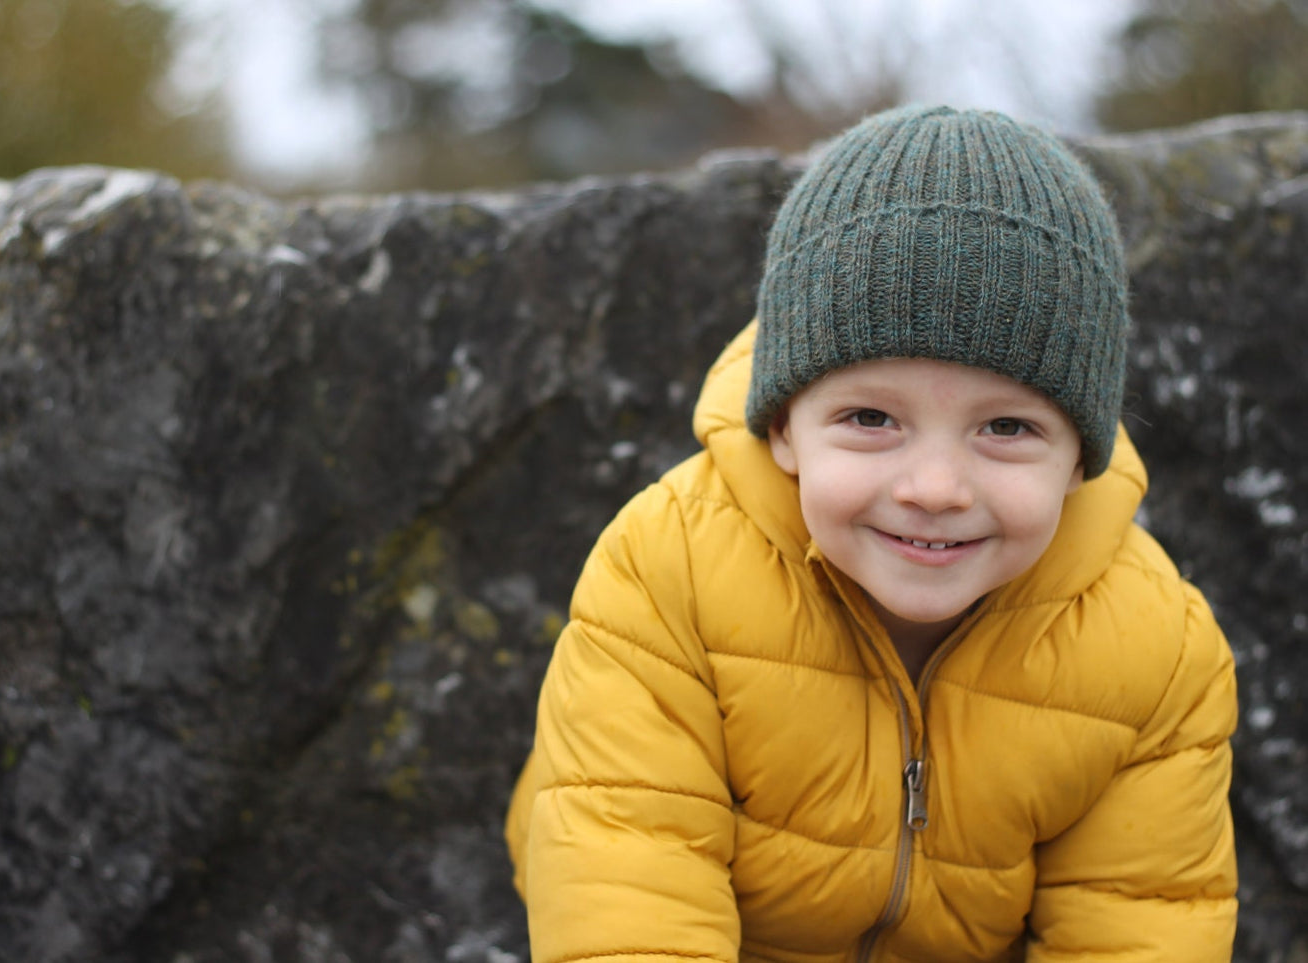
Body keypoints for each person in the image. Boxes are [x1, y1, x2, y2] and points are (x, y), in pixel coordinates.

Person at [503, 104, 1238, 962]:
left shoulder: (1152, 647)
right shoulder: (669, 568)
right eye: (869, 417)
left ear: (1080, 458)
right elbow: (625, 876)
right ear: (782, 426)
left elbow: (1142, 918)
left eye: (1005, 428)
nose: (933, 488)